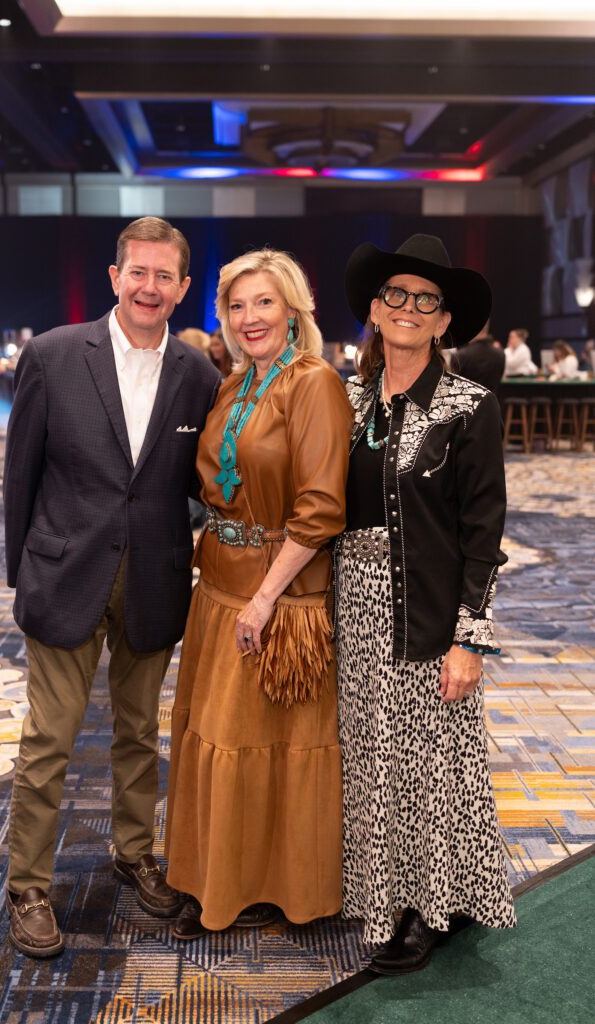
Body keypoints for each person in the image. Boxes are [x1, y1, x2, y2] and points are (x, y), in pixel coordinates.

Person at [3, 216, 221, 958]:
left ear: (183, 287)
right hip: (63, 574)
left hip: (155, 580)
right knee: (48, 740)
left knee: (138, 735)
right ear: (114, 276)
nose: (149, 287)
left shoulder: (199, 375)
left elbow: (201, 480)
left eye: (165, 276)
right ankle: (28, 883)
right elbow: (19, 479)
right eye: (138, 272)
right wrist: (21, 574)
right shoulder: (54, 355)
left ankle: (135, 853)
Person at [338, 234, 516, 976]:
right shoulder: (340, 397)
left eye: (425, 300)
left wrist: (469, 640)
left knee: (427, 766)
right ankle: (376, 893)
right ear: (374, 312)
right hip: (347, 607)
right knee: (370, 762)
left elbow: (483, 532)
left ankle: (429, 907)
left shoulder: (468, 405)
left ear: (444, 322)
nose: (407, 309)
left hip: (428, 610)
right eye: (394, 296)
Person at [165, 248, 353, 940]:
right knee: (214, 738)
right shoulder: (232, 383)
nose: (249, 318)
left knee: (271, 748)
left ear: (293, 309)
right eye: (236, 305)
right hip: (216, 588)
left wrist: (266, 597)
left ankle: (278, 888)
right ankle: (217, 878)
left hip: (279, 596)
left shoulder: (313, 383)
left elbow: (321, 506)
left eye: (264, 303)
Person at [452, 321, 505, 394]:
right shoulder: (500, 354)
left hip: (466, 403)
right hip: (491, 403)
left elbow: (454, 384)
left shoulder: (461, 355)